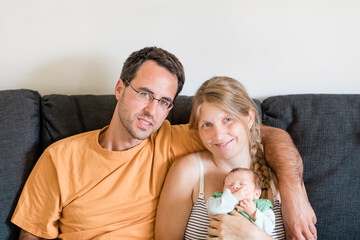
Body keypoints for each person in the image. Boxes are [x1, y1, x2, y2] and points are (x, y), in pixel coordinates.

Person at [11, 47, 316, 240]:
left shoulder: (175, 139)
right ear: (120, 88)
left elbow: (260, 134)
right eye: (144, 93)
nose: (151, 110)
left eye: (164, 102)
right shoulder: (60, 156)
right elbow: (32, 234)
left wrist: (292, 190)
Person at [155, 76, 316, 240]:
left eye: (228, 119)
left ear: (249, 117)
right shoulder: (189, 170)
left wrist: (251, 235)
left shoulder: (282, 172)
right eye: (207, 125)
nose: (218, 135)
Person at [206, 168, 275, 235]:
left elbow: (269, 229)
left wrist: (254, 213)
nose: (235, 186)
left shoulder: (262, 205)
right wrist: (232, 198)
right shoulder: (219, 199)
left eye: (242, 184)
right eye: (229, 185)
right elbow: (212, 209)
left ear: (257, 194)